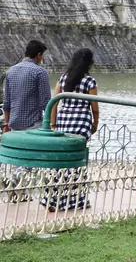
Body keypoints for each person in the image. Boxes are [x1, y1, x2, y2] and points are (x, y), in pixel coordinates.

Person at [41, 48, 99, 212]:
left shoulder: (63, 79)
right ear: (89, 63)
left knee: (60, 161)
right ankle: (76, 201)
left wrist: (53, 125)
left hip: (64, 122)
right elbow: (94, 108)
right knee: (76, 162)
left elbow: (54, 103)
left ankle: (52, 199)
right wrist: (95, 124)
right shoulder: (90, 82)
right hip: (81, 124)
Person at [3, 40, 52, 134]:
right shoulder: (40, 72)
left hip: (14, 126)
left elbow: (6, 102)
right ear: (38, 55)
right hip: (33, 126)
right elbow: (46, 103)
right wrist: (52, 124)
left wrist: (6, 123)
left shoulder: (10, 71)